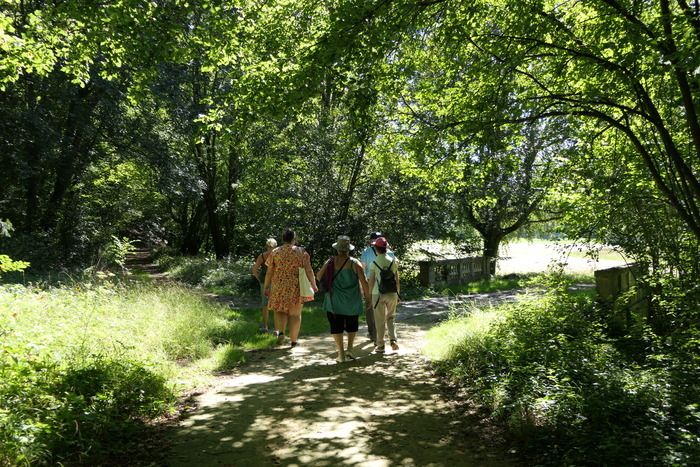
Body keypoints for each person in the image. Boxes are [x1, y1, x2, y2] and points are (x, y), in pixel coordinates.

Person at [316, 235, 370, 363]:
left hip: (333, 301)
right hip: (352, 301)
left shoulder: (330, 262)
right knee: (352, 325)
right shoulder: (355, 263)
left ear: (337, 249)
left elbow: (318, 276)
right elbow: (364, 282)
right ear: (348, 249)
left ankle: (340, 354)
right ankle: (350, 349)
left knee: (336, 326)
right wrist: (368, 299)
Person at [263, 229, 317, 348]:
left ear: (283, 238)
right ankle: (293, 341)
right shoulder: (301, 252)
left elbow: (269, 272)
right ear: (294, 238)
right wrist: (313, 284)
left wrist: (266, 286)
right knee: (295, 314)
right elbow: (309, 270)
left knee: (280, 310)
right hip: (295, 286)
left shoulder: (275, 252)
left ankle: (281, 332)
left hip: (278, 286)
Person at [367, 236, 400, 353]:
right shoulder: (393, 262)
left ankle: (380, 345)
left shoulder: (374, 263)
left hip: (378, 294)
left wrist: (369, 297)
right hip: (392, 293)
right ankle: (393, 340)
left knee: (379, 320)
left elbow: (370, 282)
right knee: (391, 317)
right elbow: (397, 280)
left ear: (376, 249)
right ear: (386, 248)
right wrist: (398, 294)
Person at [360, 231, 394, 345]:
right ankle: (387, 337)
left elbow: (363, 271)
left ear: (371, 242)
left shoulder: (365, 253)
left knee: (371, 310)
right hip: (389, 286)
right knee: (387, 313)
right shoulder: (390, 253)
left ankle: (373, 334)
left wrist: (363, 288)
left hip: (372, 285)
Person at [251, 237, 277, 332]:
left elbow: (254, 270)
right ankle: (276, 329)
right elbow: (254, 270)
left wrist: (259, 279)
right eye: (271, 247)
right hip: (275, 282)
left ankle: (266, 327)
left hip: (265, 283)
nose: (270, 248)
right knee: (274, 304)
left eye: (271, 247)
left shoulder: (262, 256)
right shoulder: (278, 255)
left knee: (266, 304)